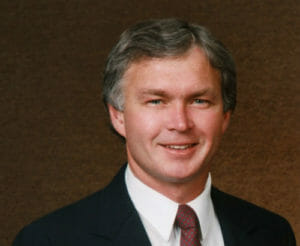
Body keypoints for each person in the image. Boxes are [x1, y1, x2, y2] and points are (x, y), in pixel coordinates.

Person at [13, 18, 296, 246]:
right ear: (118, 116)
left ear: (225, 116)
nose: (180, 123)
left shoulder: (272, 234)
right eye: (156, 101)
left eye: (199, 100)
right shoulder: (50, 240)